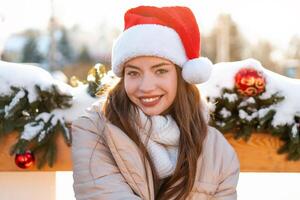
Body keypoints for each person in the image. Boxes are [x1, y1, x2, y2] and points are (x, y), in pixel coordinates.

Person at [71, 5, 240, 200]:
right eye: (133, 73)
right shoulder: (94, 128)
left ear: (181, 76)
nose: (146, 86)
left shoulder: (217, 151)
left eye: (160, 71)